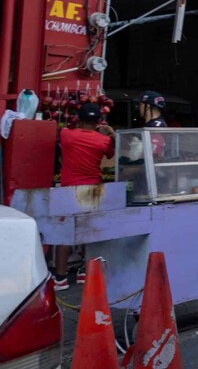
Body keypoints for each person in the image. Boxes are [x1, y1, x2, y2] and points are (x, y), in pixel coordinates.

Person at [53, 103, 115, 290]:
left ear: (79, 120)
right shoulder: (103, 141)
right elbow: (112, 154)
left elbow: (56, 135)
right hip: (92, 189)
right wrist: (110, 134)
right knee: (87, 232)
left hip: (67, 190)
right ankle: (83, 271)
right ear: (98, 122)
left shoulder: (66, 135)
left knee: (63, 235)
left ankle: (60, 278)